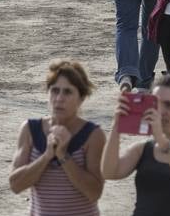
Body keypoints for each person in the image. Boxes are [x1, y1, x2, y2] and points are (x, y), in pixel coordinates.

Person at [101, 75, 170, 216]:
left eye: (169, 105)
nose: (161, 111)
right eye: (155, 103)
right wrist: (116, 129)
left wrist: (161, 141)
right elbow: (109, 172)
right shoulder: (142, 149)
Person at [8, 60, 106, 215]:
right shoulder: (30, 129)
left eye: (67, 92)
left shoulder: (93, 135)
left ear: (81, 98)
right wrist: (46, 156)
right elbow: (15, 185)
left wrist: (63, 155)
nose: (59, 98)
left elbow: (94, 193)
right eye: (55, 90)